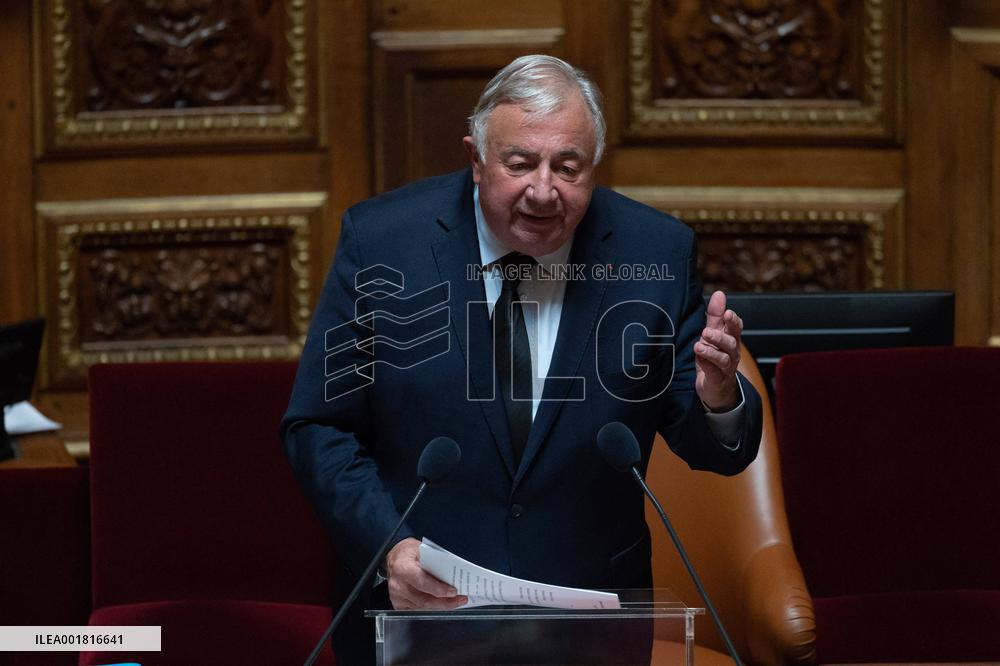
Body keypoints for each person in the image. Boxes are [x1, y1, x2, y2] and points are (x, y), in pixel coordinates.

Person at [281, 54, 762, 664]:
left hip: (587, 623)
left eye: (568, 167)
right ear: (476, 158)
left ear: (594, 166)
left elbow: (710, 446)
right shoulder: (382, 242)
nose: (542, 190)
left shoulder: (656, 252)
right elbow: (318, 426)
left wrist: (718, 398)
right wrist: (389, 552)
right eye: (519, 164)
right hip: (420, 617)